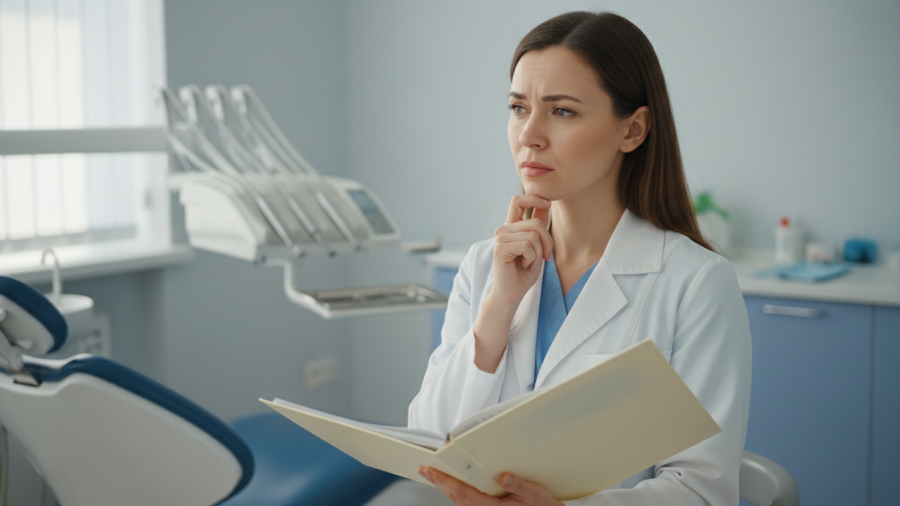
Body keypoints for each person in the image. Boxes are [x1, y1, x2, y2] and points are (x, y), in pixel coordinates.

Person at [408, 11, 752, 506]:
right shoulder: (486, 267)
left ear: (632, 130)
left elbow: (703, 491)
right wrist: (498, 307)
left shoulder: (696, 283)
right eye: (517, 107)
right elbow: (429, 445)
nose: (530, 134)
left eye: (562, 111)